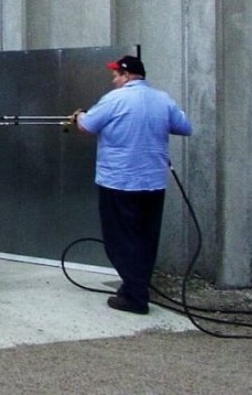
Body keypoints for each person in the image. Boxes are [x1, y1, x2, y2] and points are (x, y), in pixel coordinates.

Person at [72, 55, 192, 314]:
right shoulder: (163, 99)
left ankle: (135, 297)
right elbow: (184, 127)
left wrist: (79, 115)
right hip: (153, 183)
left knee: (120, 240)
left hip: (119, 182)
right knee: (145, 239)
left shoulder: (114, 99)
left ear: (126, 75)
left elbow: (88, 126)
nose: (114, 80)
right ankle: (136, 288)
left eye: (115, 76)